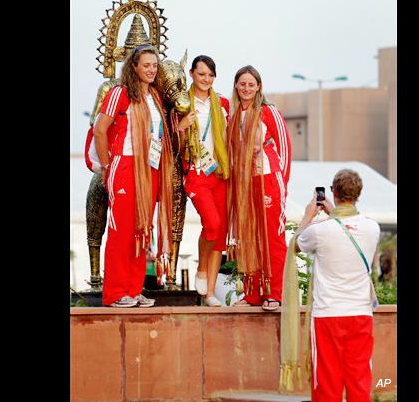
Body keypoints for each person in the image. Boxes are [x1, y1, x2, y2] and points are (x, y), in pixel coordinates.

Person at [93, 44, 175, 307]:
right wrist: (107, 166)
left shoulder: (154, 96)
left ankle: (133, 288)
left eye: (154, 65)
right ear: (134, 67)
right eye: (146, 65)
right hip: (125, 166)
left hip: (149, 168)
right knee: (121, 232)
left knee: (142, 230)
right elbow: (99, 130)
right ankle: (116, 293)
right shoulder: (120, 93)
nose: (151, 70)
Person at [295, 169, 380, 402]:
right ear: (358, 194)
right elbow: (348, 228)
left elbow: (296, 245)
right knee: (359, 380)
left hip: (328, 315)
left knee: (327, 382)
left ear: (333, 192)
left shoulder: (320, 231)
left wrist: (308, 214)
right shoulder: (373, 228)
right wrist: (334, 212)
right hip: (360, 314)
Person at [226, 65, 291, 311]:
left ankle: (275, 293)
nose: (246, 89)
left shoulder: (268, 111)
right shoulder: (234, 116)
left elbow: (284, 147)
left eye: (251, 84)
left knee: (272, 238)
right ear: (236, 85)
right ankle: (253, 293)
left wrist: (282, 183)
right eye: (242, 84)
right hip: (244, 183)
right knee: (249, 238)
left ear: (259, 87)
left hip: (268, 178)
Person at [176, 55, 230, 307]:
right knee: (212, 223)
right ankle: (201, 271)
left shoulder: (223, 105)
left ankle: (209, 292)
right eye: (201, 74)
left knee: (219, 233)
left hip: (220, 173)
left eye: (210, 75)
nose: (206, 79)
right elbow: (172, 148)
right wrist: (181, 127)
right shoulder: (181, 105)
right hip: (197, 173)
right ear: (191, 74)